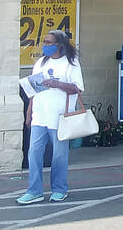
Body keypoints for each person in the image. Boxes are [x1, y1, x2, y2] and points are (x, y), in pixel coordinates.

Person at [17, 29, 84, 204]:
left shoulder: (71, 63)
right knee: (34, 153)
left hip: (60, 116)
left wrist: (56, 84)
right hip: (40, 115)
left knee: (59, 156)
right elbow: (33, 89)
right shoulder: (40, 62)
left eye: (49, 42)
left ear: (59, 45)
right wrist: (30, 110)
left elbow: (77, 88)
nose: (45, 45)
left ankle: (59, 189)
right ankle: (34, 190)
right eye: (44, 42)